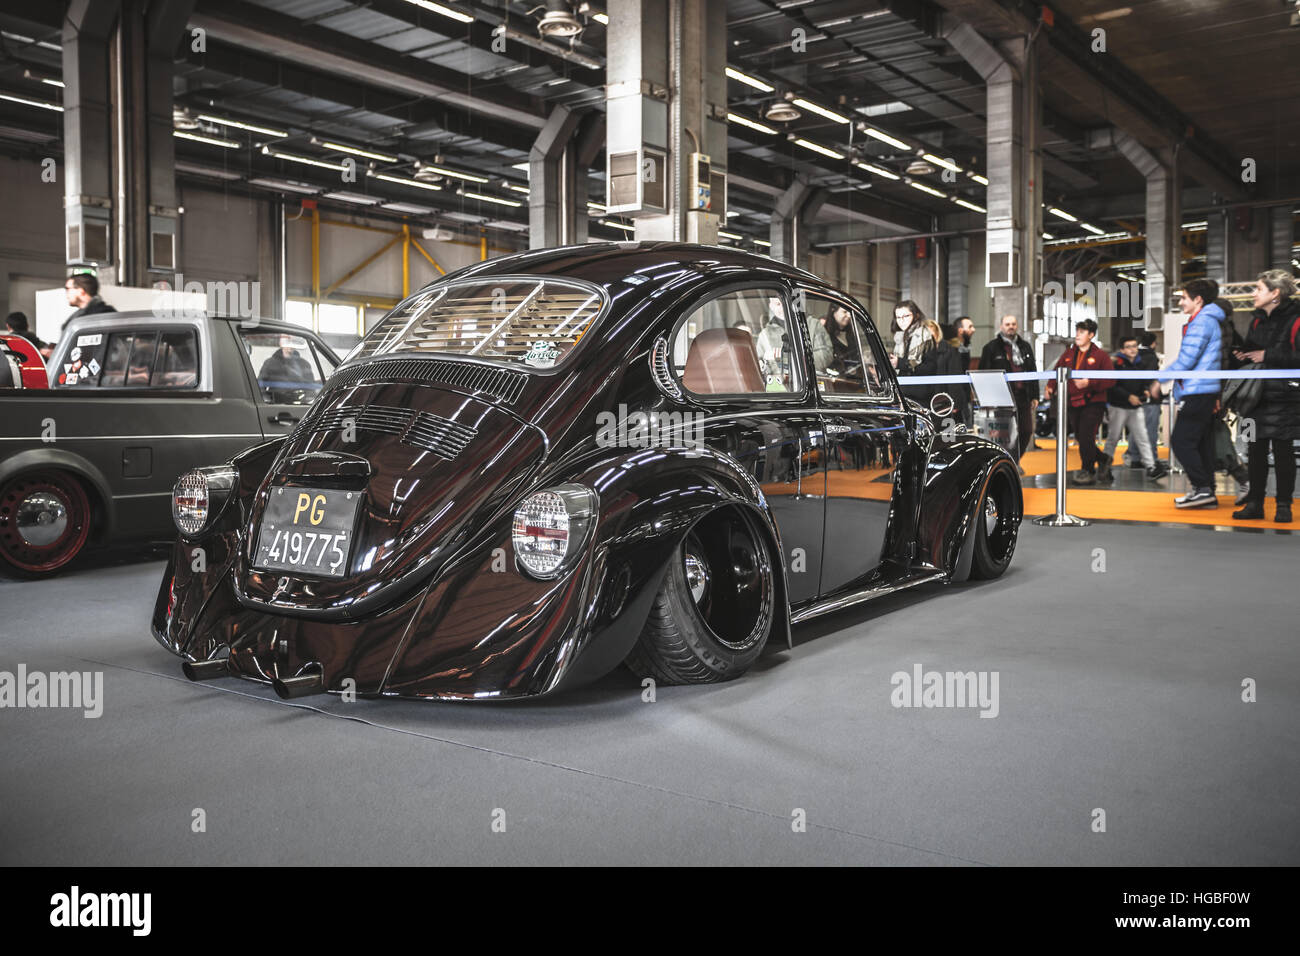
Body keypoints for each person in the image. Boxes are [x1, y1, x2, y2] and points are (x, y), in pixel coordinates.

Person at [1230, 270, 1300, 522]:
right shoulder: (1256, 321)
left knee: (1283, 452)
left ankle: (1284, 506)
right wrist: (1244, 354)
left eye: (1258, 288)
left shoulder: (1297, 320)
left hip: (1285, 397)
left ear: (1275, 294)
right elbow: (1255, 350)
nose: (1253, 293)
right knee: (1254, 451)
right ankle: (1255, 504)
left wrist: (1266, 355)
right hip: (1254, 397)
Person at [1150, 278, 1224, 509]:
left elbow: (1187, 359)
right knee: (1201, 443)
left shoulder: (1202, 322)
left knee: (1181, 441)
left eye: (1184, 298)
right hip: (1203, 389)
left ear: (1198, 300)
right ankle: (1206, 491)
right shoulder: (1205, 320)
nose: (1181, 302)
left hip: (1200, 389)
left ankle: (1202, 487)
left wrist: (1160, 379)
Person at [1045, 319, 1114, 485]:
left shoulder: (1101, 356)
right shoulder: (1068, 354)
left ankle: (1088, 470)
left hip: (1093, 403)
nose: (1078, 335)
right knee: (1080, 437)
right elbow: (1058, 371)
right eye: (1077, 331)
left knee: (1086, 437)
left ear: (1091, 335)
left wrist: (1089, 383)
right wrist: (1050, 386)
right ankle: (1103, 459)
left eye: (1082, 332)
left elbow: (1111, 380)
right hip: (1073, 402)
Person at [1102, 335, 1166, 480]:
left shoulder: (1140, 363)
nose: (1133, 349)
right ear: (1122, 350)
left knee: (1142, 436)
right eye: (1129, 347)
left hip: (1135, 407)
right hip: (1118, 406)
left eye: (1134, 346)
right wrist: (1128, 396)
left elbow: (1143, 381)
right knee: (1113, 438)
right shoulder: (1116, 364)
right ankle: (1104, 466)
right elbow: (1112, 385)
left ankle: (1151, 467)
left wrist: (1144, 389)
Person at [978, 313, 1039, 458]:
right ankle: (1004, 461)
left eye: (1013, 324)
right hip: (1001, 398)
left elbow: (1033, 371)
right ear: (1001, 327)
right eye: (1007, 324)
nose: (1011, 327)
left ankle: (1014, 460)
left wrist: (1035, 395)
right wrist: (986, 398)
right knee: (1004, 434)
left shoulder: (1025, 347)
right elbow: (983, 373)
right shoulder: (991, 348)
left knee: (1026, 430)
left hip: (1023, 396)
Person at [916, 319, 970, 425]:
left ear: (937, 334)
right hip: (925, 403)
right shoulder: (918, 354)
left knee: (946, 437)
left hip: (944, 403)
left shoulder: (949, 351)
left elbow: (955, 378)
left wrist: (955, 403)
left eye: (931, 335)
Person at [889, 299, 934, 405]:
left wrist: (900, 363)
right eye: (898, 317)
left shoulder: (925, 337)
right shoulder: (900, 338)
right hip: (902, 394)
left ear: (916, 315)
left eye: (906, 316)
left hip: (920, 397)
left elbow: (930, 368)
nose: (902, 320)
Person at [60, 273, 116, 338]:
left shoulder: (103, 314)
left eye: (67, 288)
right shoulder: (84, 314)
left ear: (81, 291)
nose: (66, 293)